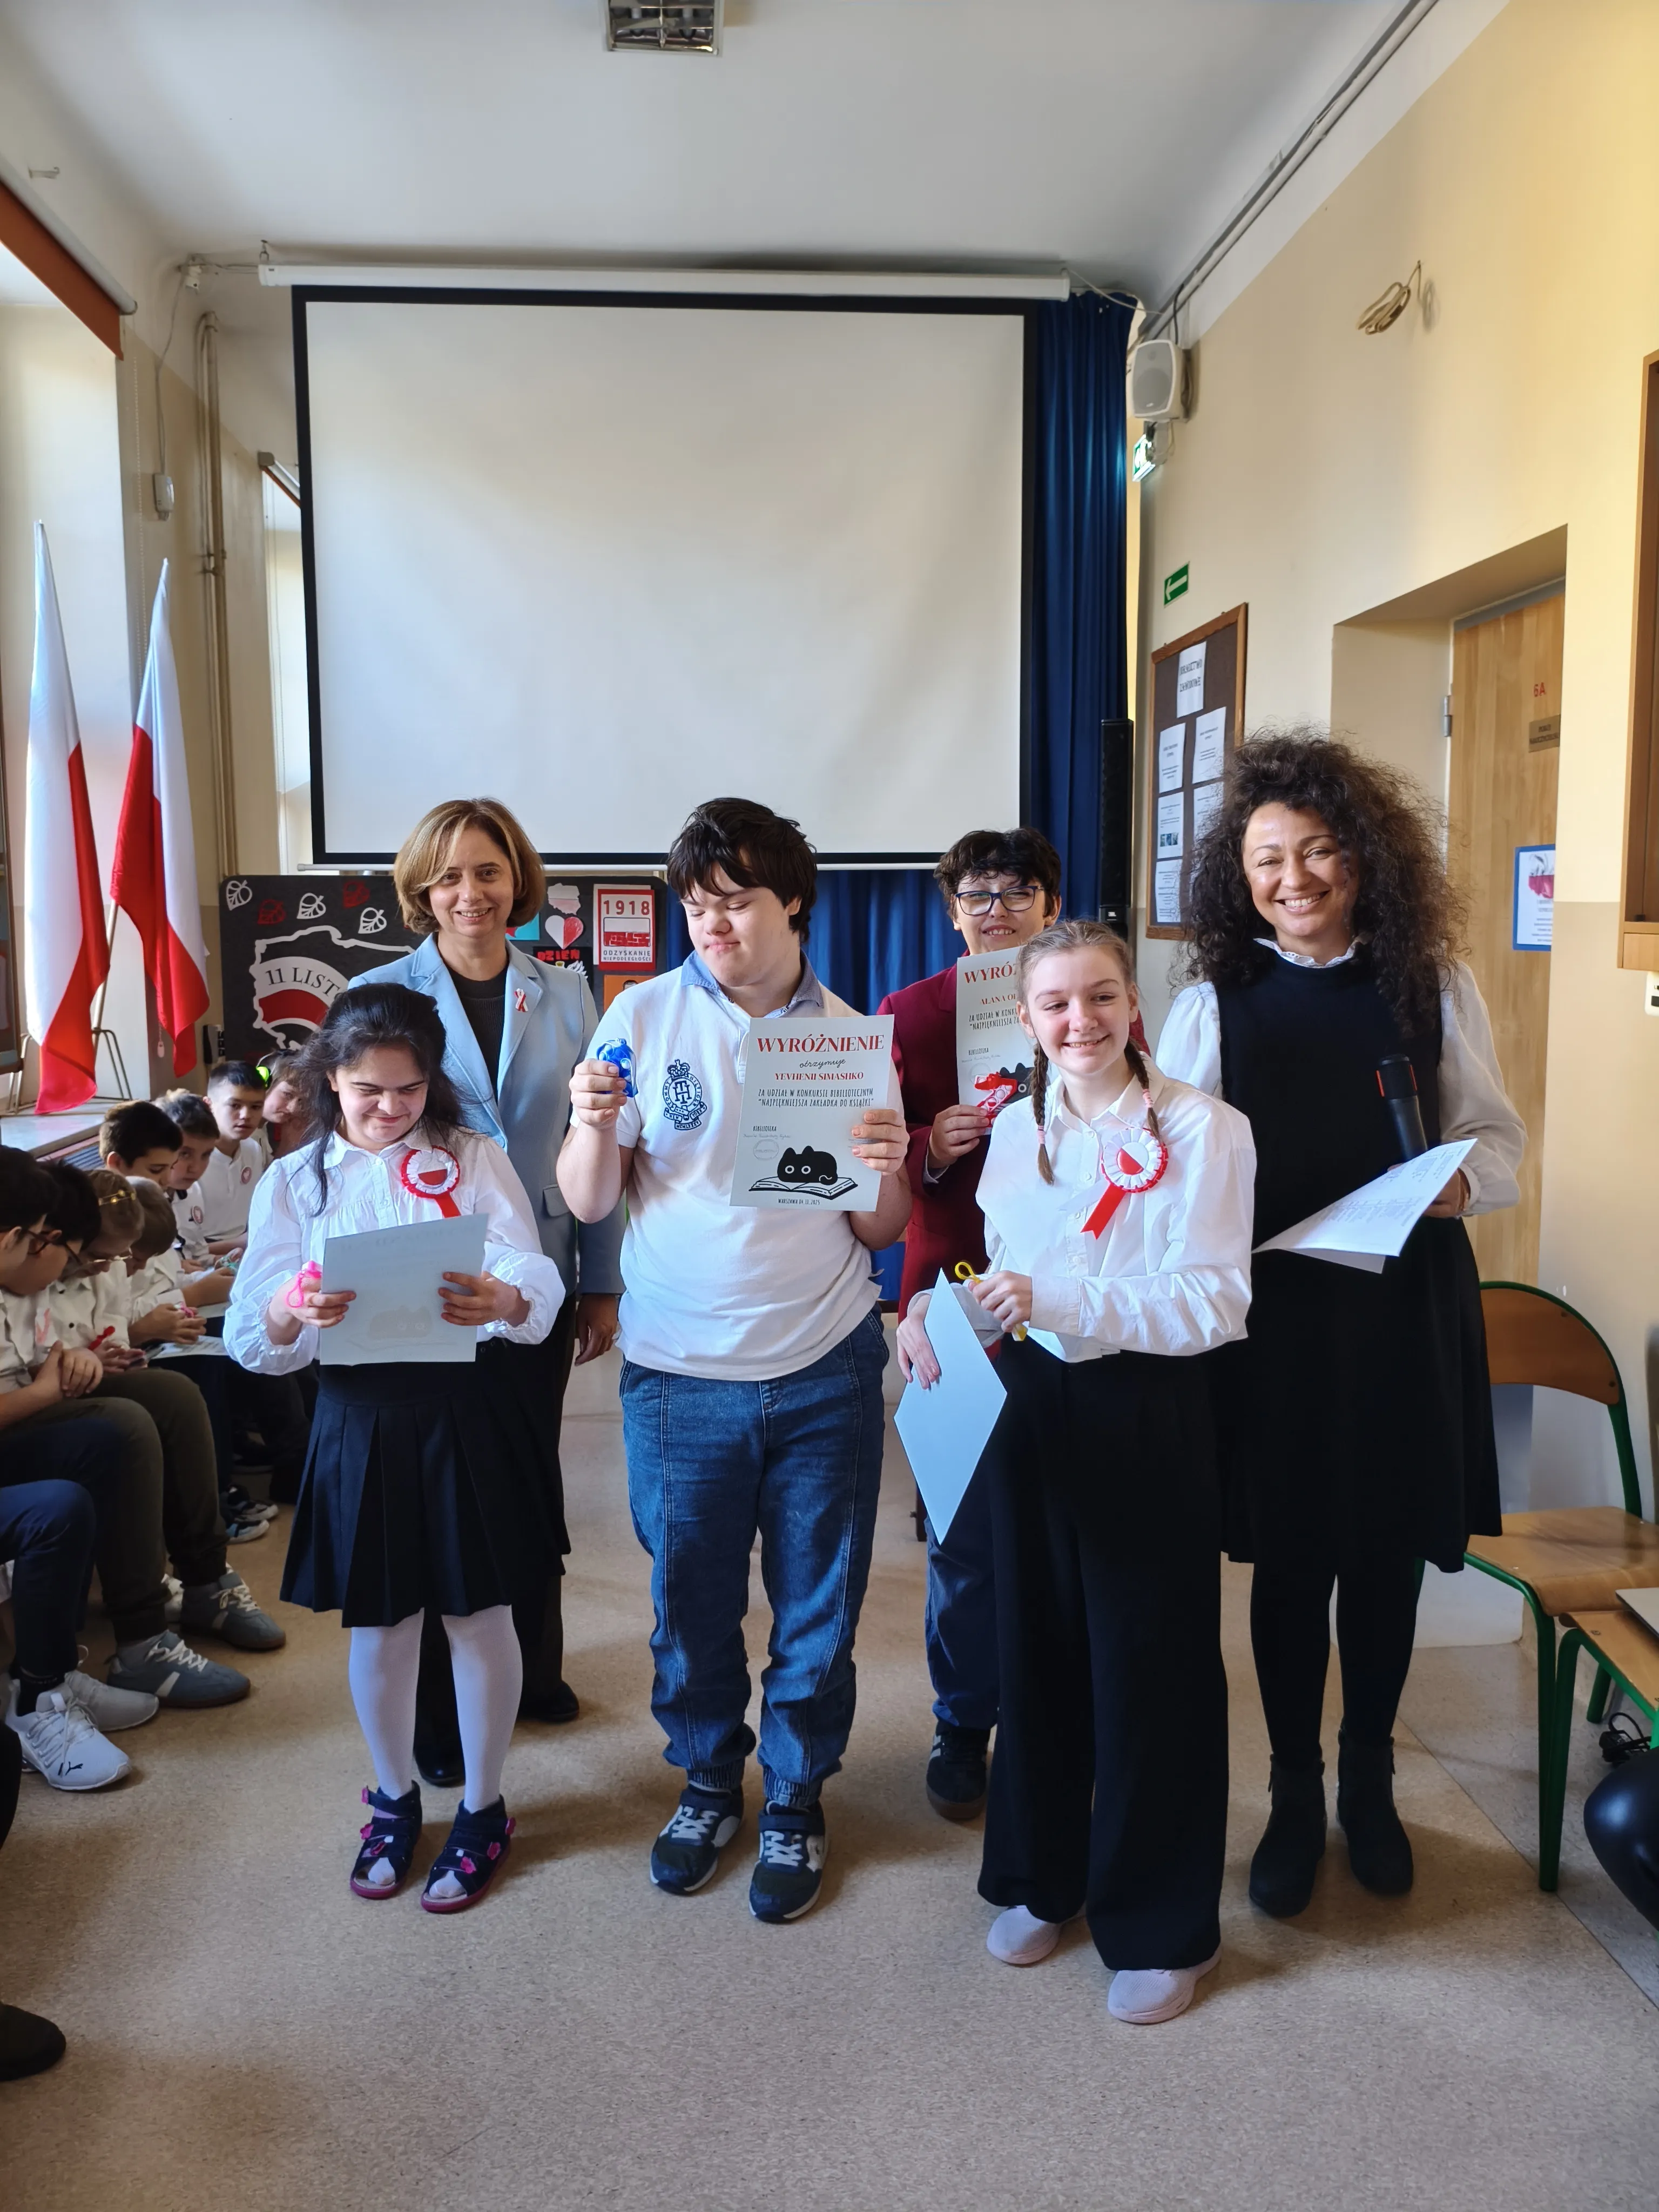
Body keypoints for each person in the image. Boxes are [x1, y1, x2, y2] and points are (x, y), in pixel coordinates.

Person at [1158, 731, 1525, 1916]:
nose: (1296, 877)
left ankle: (1370, 1774)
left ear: (1365, 859)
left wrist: (1463, 1180)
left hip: (1404, 1309)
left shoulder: (1435, 984)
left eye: (1319, 850)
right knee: (1289, 1556)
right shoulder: (1215, 1001)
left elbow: (1500, 1141)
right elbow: (1159, 1166)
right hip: (1275, 1323)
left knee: (1381, 1553)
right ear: (1239, 873)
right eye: (1270, 857)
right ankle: (1296, 1788)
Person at [559, 797, 910, 1923]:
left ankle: (799, 1795)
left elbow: (877, 1227)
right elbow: (590, 1197)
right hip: (677, 1371)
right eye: (696, 904)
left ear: (792, 900)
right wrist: (586, 1120)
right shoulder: (641, 1014)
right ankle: (710, 1779)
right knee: (689, 1604)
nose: (712, 924)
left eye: (736, 901)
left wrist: (889, 1163)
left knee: (819, 1603)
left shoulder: (850, 1035)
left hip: (822, 1362)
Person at [898, 920, 1254, 2025]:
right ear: (1031, 1020)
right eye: (1055, 1005)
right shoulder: (1021, 1127)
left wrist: (1063, 1301)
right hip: (1033, 1406)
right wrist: (934, 1306)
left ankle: (1160, 1919)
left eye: (1100, 998)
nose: (1080, 1022)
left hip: (1148, 1406)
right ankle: (1042, 1874)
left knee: (1150, 1663)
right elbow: (999, 1266)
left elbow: (1216, 1300)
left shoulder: (1206, 1128)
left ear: (1132, 1004)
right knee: (1038, 1647)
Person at [226, 983, 566, 1912]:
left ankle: (485, 1806)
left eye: (408, 1090)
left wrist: (503, 1298)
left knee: (476, 1613)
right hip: (356, 1415)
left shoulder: (469, 1155)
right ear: (331, 1078)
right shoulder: (294, 1179)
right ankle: (392, 1796)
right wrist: (291, 1307)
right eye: (369, 1090)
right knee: (381, 1623)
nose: (389, 1108)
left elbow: (528, 1271)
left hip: (461, 1406)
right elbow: (253, 1329)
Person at [357, 796, 625, 1764]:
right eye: (449, 876)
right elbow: (354, 1138)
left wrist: (602, 1280)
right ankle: (438, 1718)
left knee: (522, 1478)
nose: (469, 892)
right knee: (434, 1495)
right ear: (421, 890)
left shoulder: (568, 992)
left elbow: (595, 1141)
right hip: (419, 1281)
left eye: (488, 871)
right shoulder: (383, 992)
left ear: (518, 881)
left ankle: (536, 1670)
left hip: (535, 1281)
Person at [877, 825, 1062, 1821]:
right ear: (951, 910)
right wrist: (927, 1143)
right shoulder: (907, 1015)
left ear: (1048, 903)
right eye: (978, 894)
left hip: (1069, 1299)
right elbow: (861, 1157)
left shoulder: (1084, 1001)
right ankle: (962, 1718)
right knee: (962, 1532)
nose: (996, 909)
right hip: (948, 1291)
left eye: (1018, 891)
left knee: (1059, 1520)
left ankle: (1048, 1713)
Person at [0, 1160, 280, 1702]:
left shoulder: (24, 1274)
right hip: (20, 1423)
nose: (79, 1267)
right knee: (122, 1428)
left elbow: (37, 1356)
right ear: (30, 1240)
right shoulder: (29, 1267)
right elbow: (30, 1384)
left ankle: (207, 1582)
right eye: (52, 1243)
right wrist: (46, 1387)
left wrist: (78, 1364)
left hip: (31, 1408)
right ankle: (142, 1639)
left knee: (171, 1396)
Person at [257, 1051, 308, 1158]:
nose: (293, 1109)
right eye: (288, 1095)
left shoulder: (260, 1131)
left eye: (301, 1101)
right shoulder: (241, 1137)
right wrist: (287, 1146)